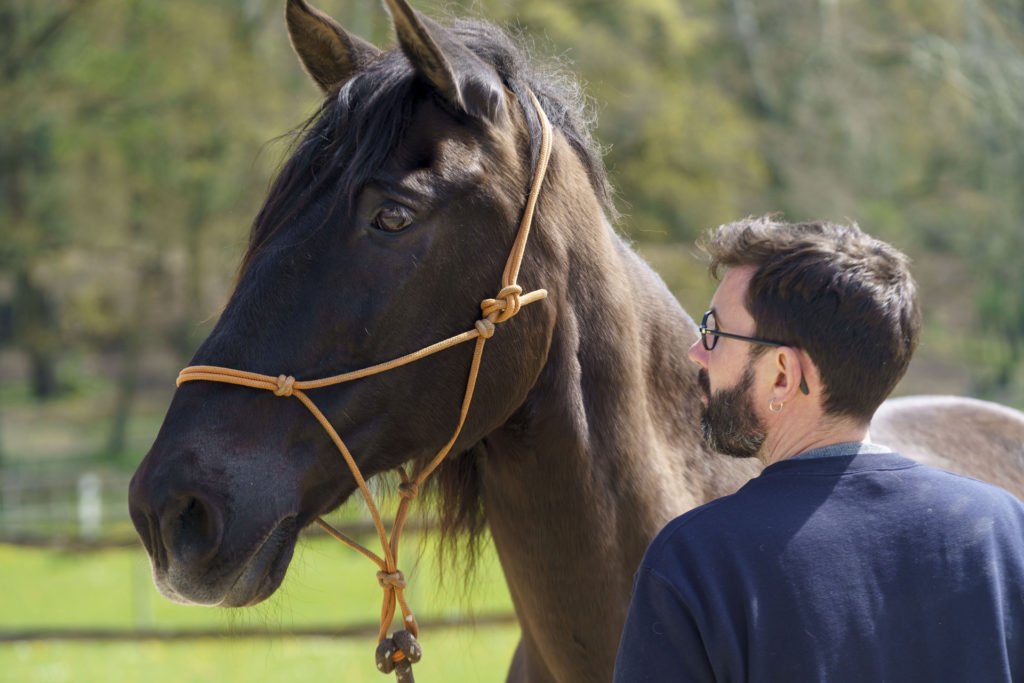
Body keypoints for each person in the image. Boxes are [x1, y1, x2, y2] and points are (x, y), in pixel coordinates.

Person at [613, 216, 1024, 682]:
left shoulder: (698, 558)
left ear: (783, 375)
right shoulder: (1006, 529)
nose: (697, 352)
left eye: (715, 331)